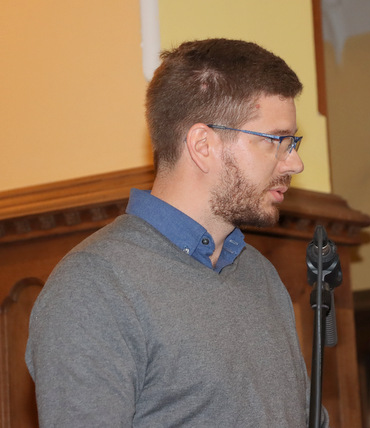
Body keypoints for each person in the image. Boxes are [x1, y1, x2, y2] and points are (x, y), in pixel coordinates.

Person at [26, 38, 329, 427]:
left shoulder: (259, 273)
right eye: (276, 141)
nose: (295, 163)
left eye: (293, 142)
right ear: (203, 145)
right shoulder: (95, 284)